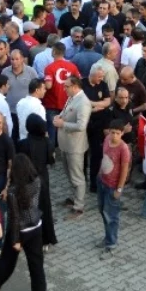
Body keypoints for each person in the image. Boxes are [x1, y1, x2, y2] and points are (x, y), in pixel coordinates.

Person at [0, 154, 47, 291]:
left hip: (20, 231)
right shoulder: (37, 181)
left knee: (7, 261)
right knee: (36, 264)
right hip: (36, 226)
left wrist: (15, 240)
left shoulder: (13, 191)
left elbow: (15, 218)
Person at [18, 113, 58, 249]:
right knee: (45, 209)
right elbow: (50, 160)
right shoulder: (47, 142)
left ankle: (28, 239)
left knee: (28, 210)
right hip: (43, 180)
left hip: (28, 181)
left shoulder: (23, 144)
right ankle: (46, 240)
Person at [54, 76, 91, 217]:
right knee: (69, 174)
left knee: (77, 176)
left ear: (75, 86)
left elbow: (81, 126)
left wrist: (62, 124)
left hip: (75, 146)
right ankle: (74, 198)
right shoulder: (72, 98)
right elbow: (65, 112)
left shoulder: (83, 103)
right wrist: (58, 117)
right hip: (66, 144)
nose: (64, 88)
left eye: (66, 86)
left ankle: (79, 206)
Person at [97, 119, 132, 254]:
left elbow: (124, 170)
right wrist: (99, 173)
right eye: (113, 133)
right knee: (102, 210)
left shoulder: (123, 149)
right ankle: (107, 238)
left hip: (113, 186)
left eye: (118, 133)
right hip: (102, 181)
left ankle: (111, 242)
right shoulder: (106, 140)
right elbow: (104, 157)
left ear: (122, 133)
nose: (114, 136)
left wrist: (119, 189)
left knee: (111, 215)